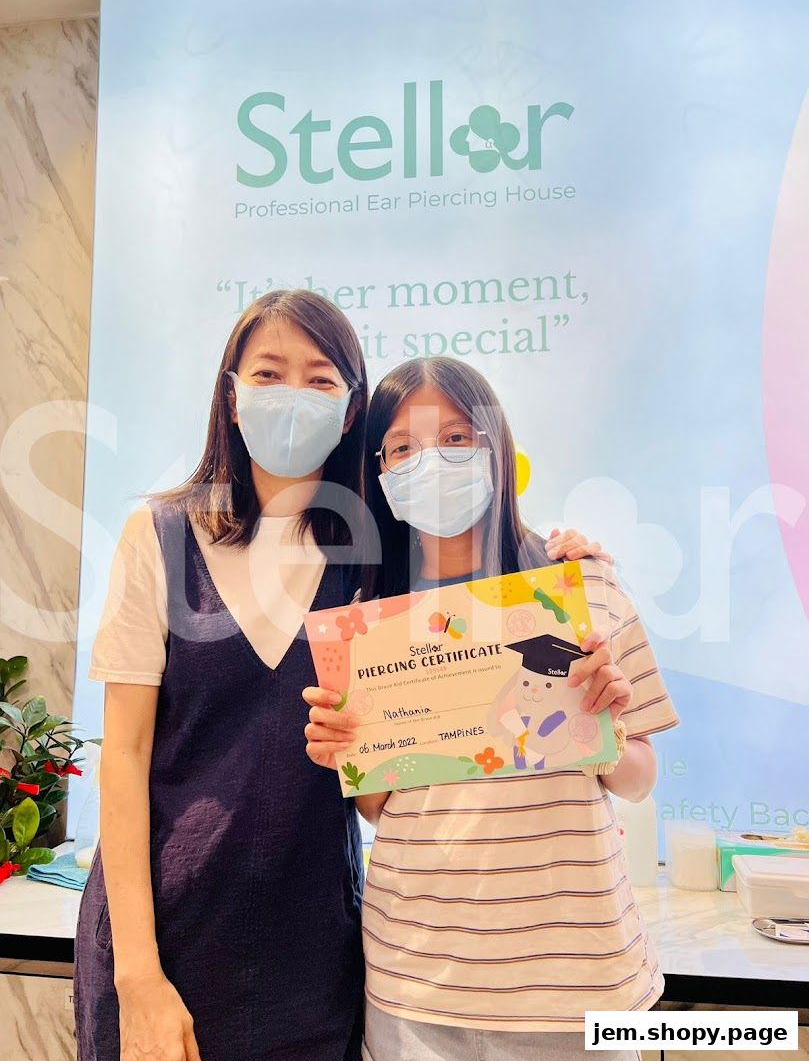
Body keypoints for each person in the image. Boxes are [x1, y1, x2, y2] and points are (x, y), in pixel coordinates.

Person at [74, 294, 603, 1061]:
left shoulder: (374, 561)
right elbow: (121, 756)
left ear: (352, 408)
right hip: (164, 933)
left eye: (321, 379)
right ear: (231, 393)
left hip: (312, 942)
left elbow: (485, 584)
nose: (294, 394)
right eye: (269, 373)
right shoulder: (158, 535)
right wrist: (139, 978)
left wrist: (562, 556)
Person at [304, 356, 679, 1061]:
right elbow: (381, 808)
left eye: (455, 438)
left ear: (496, 447)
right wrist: (343, 749)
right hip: (415, 978)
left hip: (574, 982)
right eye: (403, 448)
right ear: (379, 473)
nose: (430, 462)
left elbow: (638, 778)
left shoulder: (579, 587)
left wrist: (604, 725)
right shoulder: (366, 623)